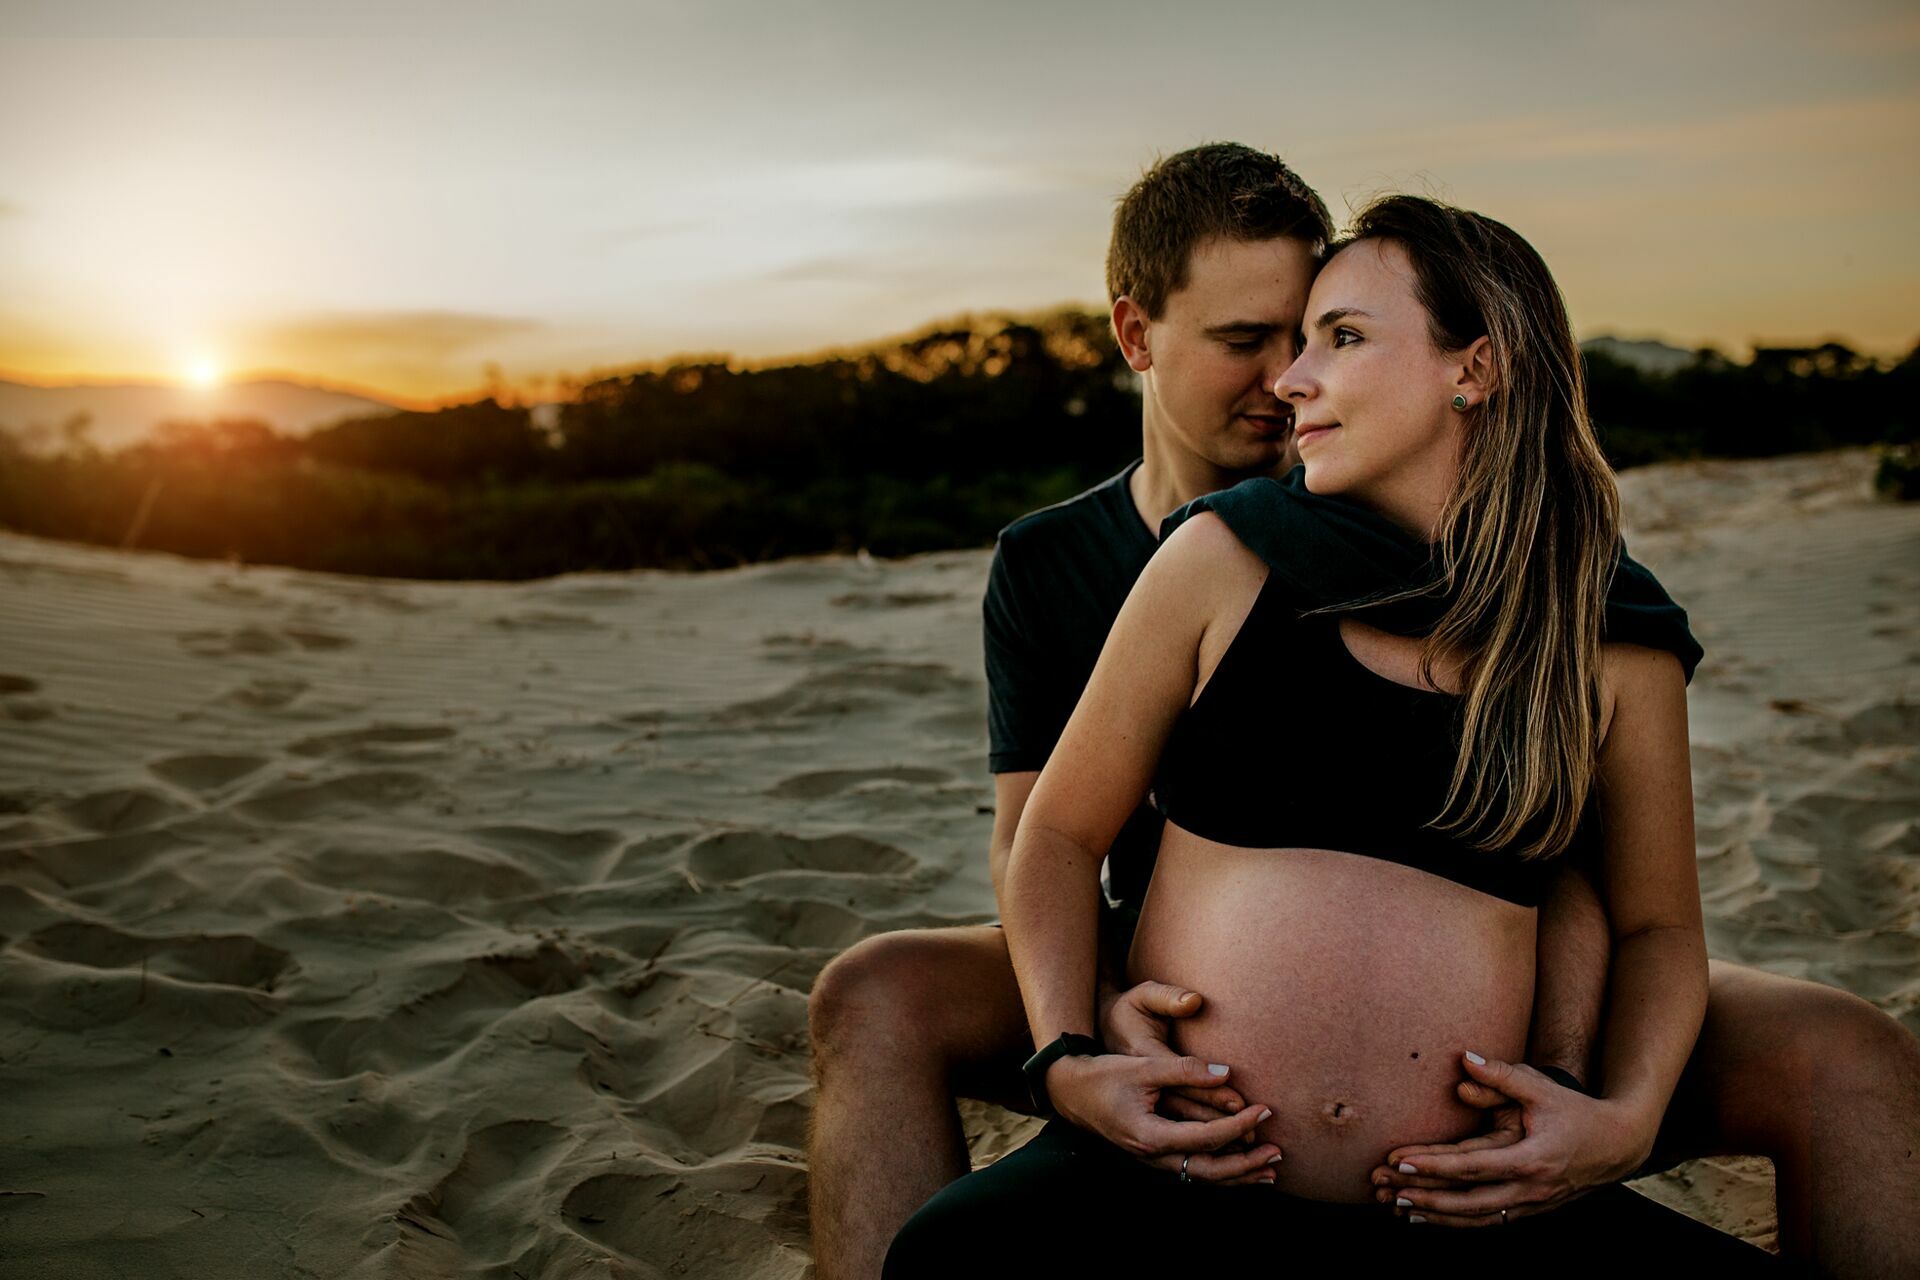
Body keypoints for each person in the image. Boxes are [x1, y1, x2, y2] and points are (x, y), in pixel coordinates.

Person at [807, 145, 1920, 1279]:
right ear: (1139, 337)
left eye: (1329, 335)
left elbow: (1634, 910)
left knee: (1842, 1049)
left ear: (1472, 369)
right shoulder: (1188, 557)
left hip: (1465, 1153)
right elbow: (1043, 833)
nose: (1288, 377)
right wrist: (1073, 1043)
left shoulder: (1593, 626)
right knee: (920, 1158)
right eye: (1261, 340)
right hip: (1179, 1064)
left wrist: (1612, 1105)